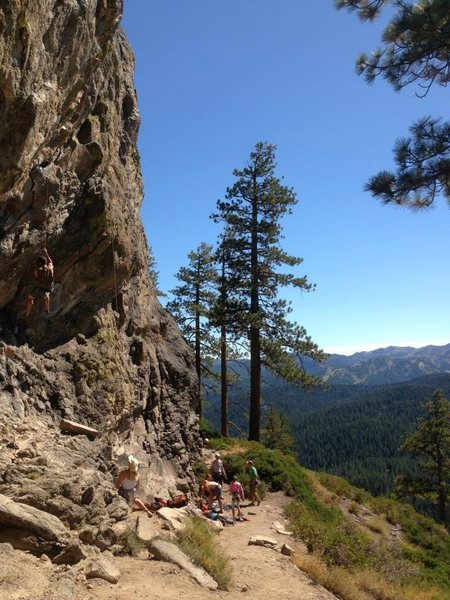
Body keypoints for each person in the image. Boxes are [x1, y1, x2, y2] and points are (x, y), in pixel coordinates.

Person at [25, 247, 54, 317]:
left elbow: (36, 277)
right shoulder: (50, 267)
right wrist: (45, 252)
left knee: (30, 298)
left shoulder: (37, 271)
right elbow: (50, 261)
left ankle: (27, 314)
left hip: (41, 289)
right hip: (50, 287)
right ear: (45, 262)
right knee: (47, 294)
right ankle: (47, 308)